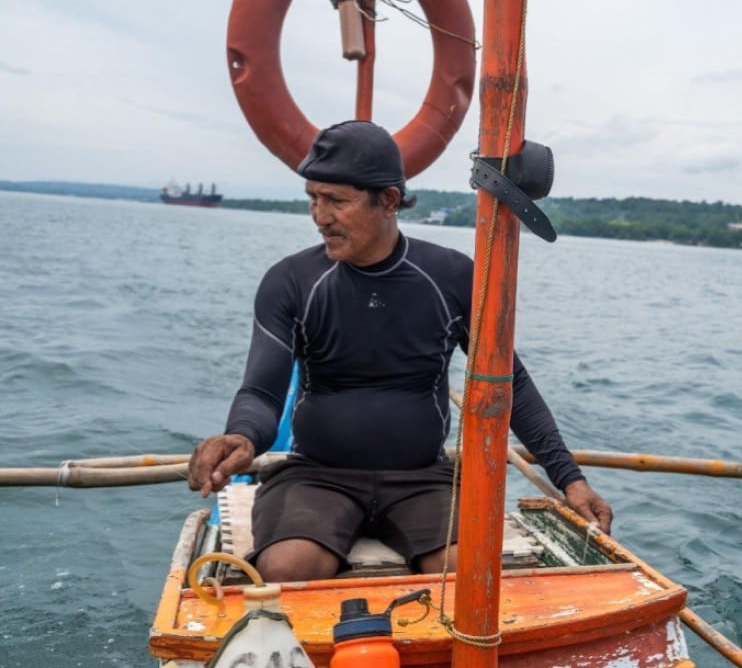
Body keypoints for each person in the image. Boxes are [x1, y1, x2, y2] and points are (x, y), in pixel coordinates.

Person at [187, 120, 612, 582]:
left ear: (388, 201)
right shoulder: (291, 282)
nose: (319, 215)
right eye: (313, 198)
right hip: (316, 475)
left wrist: (569, 478)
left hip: (422, 479)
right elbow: (262, 391)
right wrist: (242, 436)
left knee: (466, 575)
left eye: (336, 201)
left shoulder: (450, 278)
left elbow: (512, 383)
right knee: (290, 568)